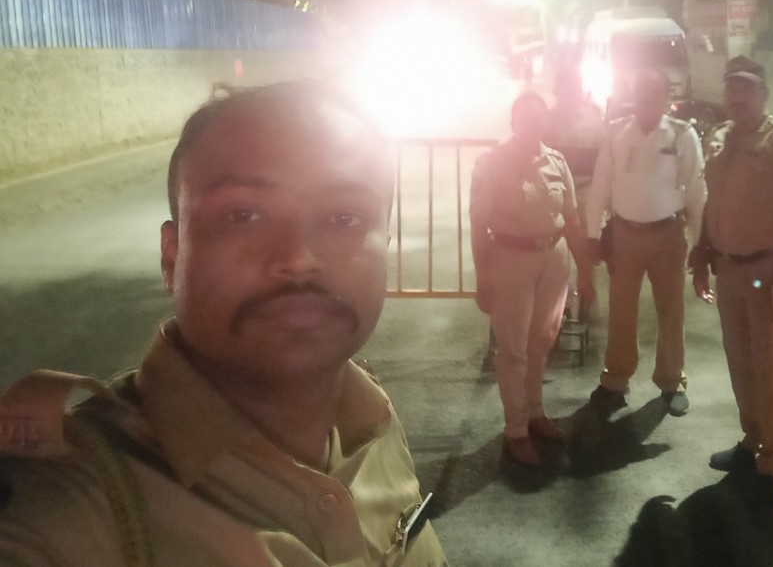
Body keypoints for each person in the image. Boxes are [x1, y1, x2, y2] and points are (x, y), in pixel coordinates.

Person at [0, 81, 448, 566]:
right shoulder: (62, 510)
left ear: (387, 247)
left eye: (345, 217)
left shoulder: (375, 421)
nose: (299, 258)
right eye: (243, 214)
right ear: (172, 256)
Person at [690, 56, 773, 524]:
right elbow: (712, 202)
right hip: (728, 271)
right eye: (731, 87)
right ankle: (753, 441)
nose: (737, 96)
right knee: (740, 363)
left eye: (746, 87)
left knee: (772, 372)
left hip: (769, 274)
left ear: (764, 93)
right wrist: (702, 250)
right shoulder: (720, 138)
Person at [469, 91, 595, 467]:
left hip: (554, 257)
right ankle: (516, 430)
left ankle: (536, 413)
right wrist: (482, 277)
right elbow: (478, 225)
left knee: (542, 341)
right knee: (513, 350)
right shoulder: (491, 163)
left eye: (538, 118)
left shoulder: (557, 161)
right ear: (514, 122)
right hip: (509, 260)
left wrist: (586, 271)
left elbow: (571, 218)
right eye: (525, 119)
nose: (532, 125)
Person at [585, 69, 706, 417]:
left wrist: (700, 243)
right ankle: (615, 379)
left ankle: (672, 380)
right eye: (642, 90)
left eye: (656, 91)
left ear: (667, 97)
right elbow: (600, 184)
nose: (648, 97)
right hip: (624, 234)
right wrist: (592, 234)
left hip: (668, 235)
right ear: (633, 95)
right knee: (621, 309)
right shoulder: (617, 132)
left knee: (671, 309)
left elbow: (697, 190)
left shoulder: (682, 134)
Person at [543, 66, 606, 318]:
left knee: (587, 247)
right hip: (555, 193)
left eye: (574, 88)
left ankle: (587, 297)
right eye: (565, 88)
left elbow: (603, 159)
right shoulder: (546, 121)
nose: (570, 93)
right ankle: (563, 305)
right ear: (557, 91)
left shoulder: (593, 121)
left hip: (585, 190)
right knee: (558, 249)